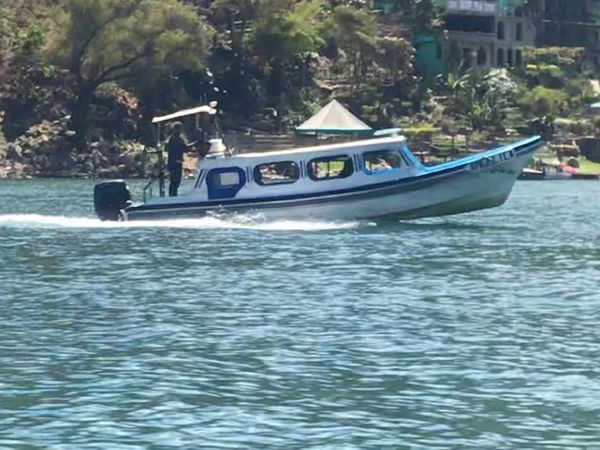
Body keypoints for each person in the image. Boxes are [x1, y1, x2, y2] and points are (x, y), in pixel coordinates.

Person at [167, 122, 196, 196]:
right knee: (175, 181)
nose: (179, 130)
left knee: (176, 181)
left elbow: (185, 148)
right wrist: (195, 144)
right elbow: (184, 148)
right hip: (174, 163)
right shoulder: (174, 139)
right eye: (178, 129)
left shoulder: (177, 138)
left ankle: (173, 195)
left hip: (177, 162)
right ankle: (172, 196)